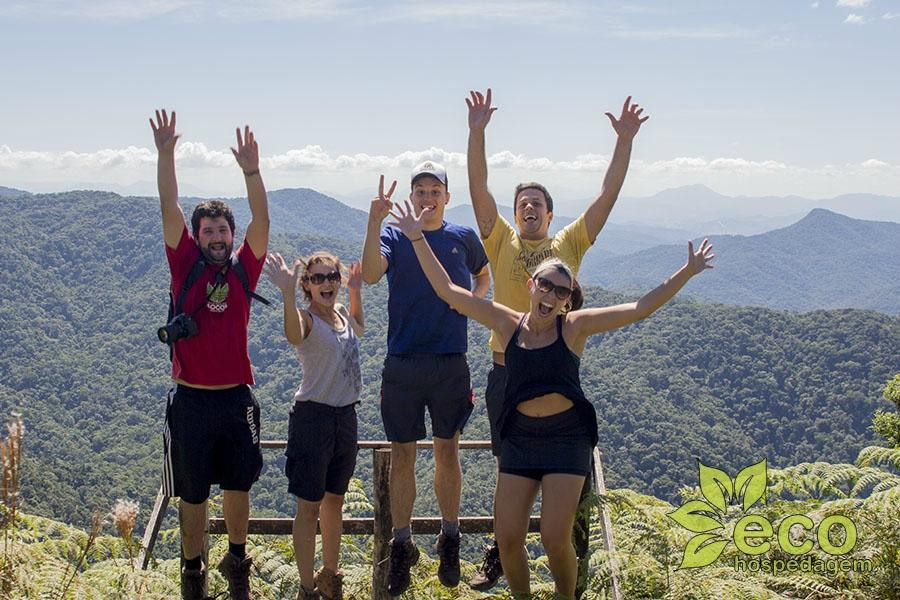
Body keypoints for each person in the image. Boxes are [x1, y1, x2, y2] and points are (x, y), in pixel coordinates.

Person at [388, 200, 714, 600]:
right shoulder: (508, 323)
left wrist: (688, 270)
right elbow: (449, 291)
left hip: (566, 439)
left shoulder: (574, 327)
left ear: (567, 300)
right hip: (520, 438)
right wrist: (417, 237)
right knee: (507, 538)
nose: (552, 294)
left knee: (554, 536)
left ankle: (566, 596)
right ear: (531, 286)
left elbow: (639, 308)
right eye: (545, 284)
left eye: (562, 290)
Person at [464, 88, 649, 589]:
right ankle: (503, 551)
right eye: (522, 202)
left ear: (549, 214)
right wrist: (476, 132)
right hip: (506, 370)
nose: (528, 207)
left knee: (559, 511)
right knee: (511, 468)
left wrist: (624, 143)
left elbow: (606, 198)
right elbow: (478, 186)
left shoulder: (565, 246)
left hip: (553, 370)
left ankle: (566, 564)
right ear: (515, 211)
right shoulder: (498, 239)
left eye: (537, 203)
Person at [151, 109, 269, 600]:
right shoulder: (185, 267)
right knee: (192, 494)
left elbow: (262, 218)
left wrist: (252, 172)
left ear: (231, 236)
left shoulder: (244, 271)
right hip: (192, 401)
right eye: (209, 232)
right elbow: (169, 204)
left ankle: (237, 561)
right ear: (197, 238)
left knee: (238, 486)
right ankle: (192, 570)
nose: (217, 238)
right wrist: (165, 154)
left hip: (236, 398)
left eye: (224, 230)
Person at [360, 164, 490, 596]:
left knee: (447, 450)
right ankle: (401, 545)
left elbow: (483, 271)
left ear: (447, 197)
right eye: (420, 191)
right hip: (403, 358)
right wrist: (374, 220)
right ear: (411, 198)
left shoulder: (462, 237)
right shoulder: (395, 236)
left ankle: (449, 538)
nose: (427, 197)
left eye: (435, 190)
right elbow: (371, 273)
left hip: (450, 359)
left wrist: (473, 300)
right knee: (402, 454)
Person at [264, 252, 364, 600]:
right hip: (313, 419)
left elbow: (360, 327)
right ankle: (307, 589)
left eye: (331, 276)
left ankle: (331, 578)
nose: (326, 283)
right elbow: (293, 335)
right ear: (307, 284)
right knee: (308, 506)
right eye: (318, 278)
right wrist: (286, 294)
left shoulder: (339, 315)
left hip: (346, 417)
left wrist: (355, 291)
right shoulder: (307, 319)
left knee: (334, 500)